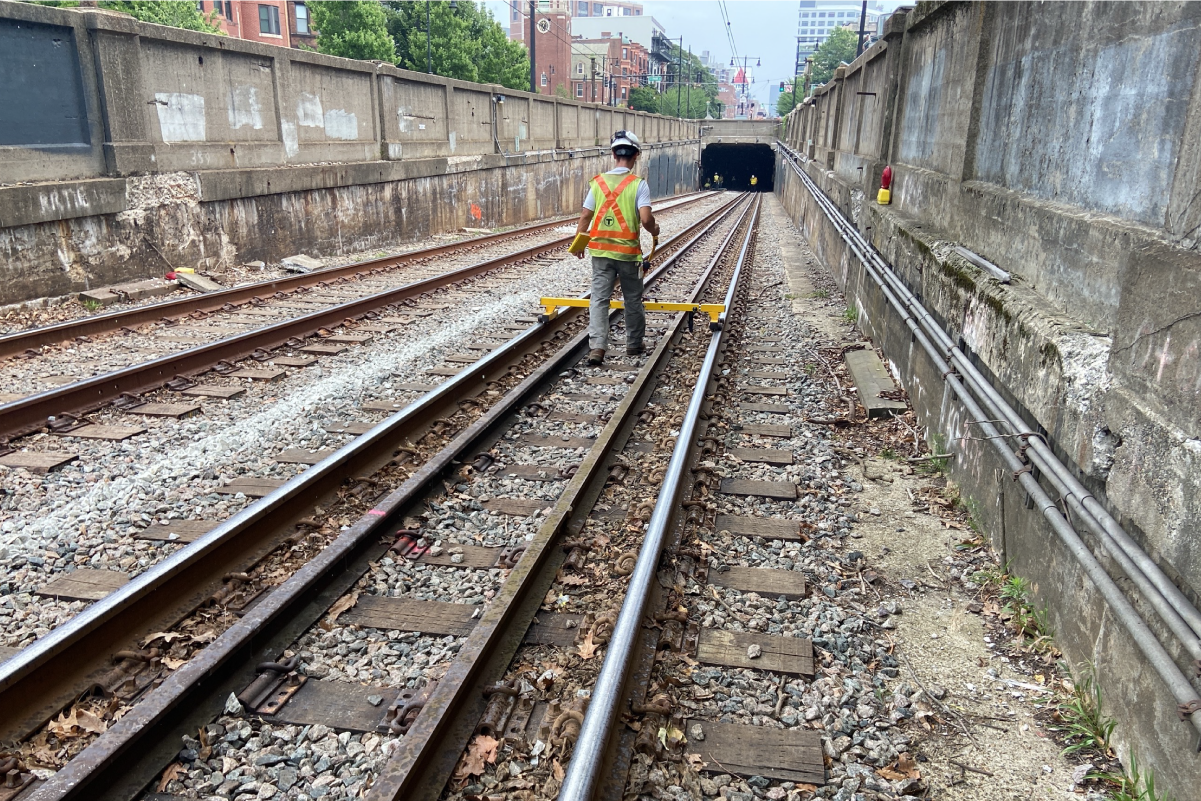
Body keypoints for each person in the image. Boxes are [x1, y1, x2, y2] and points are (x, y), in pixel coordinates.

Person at [571, 131, 660, 366]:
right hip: (628, 254)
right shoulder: (638, 185)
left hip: (600, 253)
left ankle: (597, 347)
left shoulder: (598, 183)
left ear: (613, 154)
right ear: (636, 156)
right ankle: (633, 343)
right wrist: (654, 231)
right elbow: (646, 218)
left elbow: (585, 217)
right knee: (632, 299)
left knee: (599, 300)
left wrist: (579, 241)